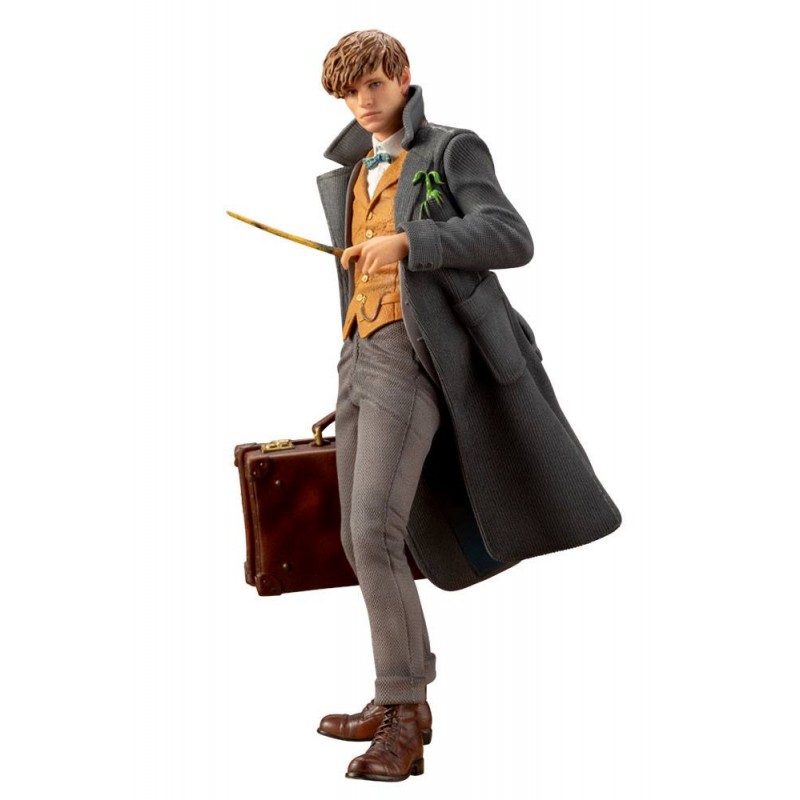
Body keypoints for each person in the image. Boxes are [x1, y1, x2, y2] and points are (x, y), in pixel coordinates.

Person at [314, 29, 621, 782]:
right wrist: (347, 376)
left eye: (373, 85)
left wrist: (410, 242)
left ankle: (403, 717)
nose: (363, 102)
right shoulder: (351, 174)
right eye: (349, 93)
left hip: (419, 355)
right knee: (360, 538)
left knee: (375, 531)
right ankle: (401, 691)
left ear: (402, 77)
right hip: (360, 355)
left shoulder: (450, 150)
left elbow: (510, 236)